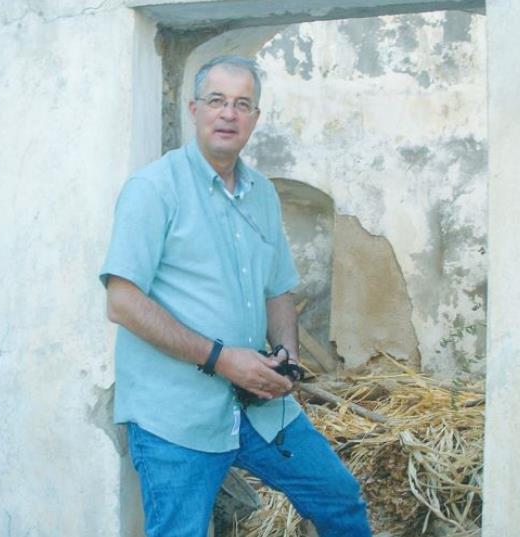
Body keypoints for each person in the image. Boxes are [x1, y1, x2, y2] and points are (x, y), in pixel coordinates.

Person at [100, 55, 372, 537]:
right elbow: (122, 302)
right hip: (175, 414)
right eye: (217, 101)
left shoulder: (262, 193)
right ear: (194, 109)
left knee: (338, 498)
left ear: (255, 118)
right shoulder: (153, 189)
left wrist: (285, 355)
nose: (229, 113)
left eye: (242, 104)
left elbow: (277, 288)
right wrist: (223, 360)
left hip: (259, 402)